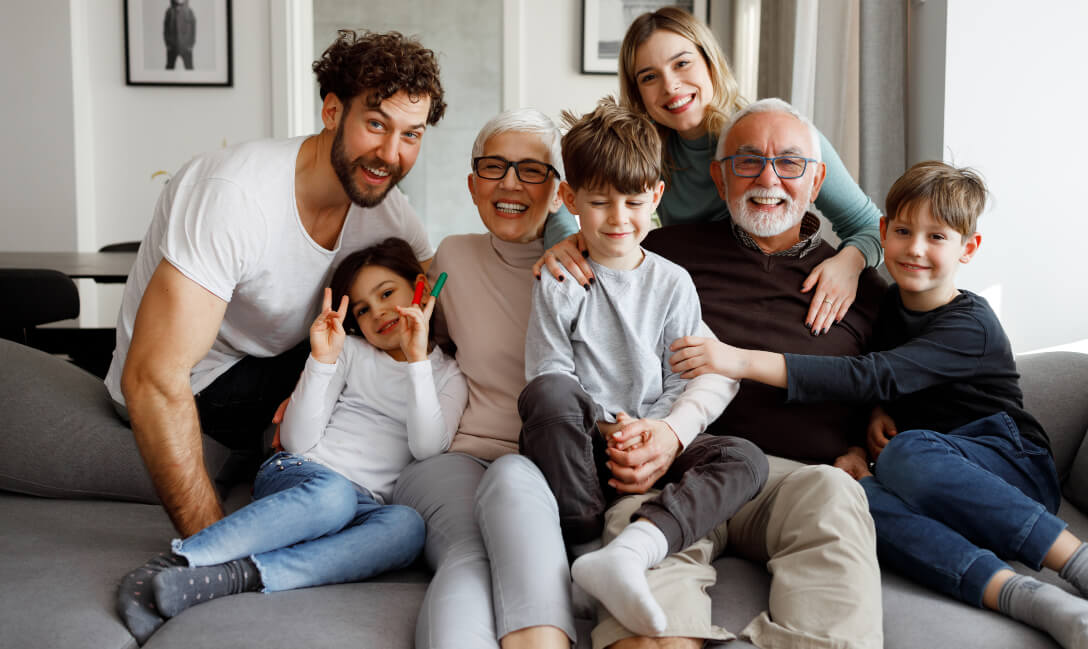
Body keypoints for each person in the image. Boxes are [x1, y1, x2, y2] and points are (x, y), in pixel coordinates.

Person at [672, 160, 1088, 649]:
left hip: (1009, 464)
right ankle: (1027, 598)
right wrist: (864, 433)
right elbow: (878, 384)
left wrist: (739, 361)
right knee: (853, 498)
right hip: (926, 479)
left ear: (968, 248)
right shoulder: (885, 306)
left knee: (907, 453)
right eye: (902, 231)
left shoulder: (970, 324)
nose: (915, 248)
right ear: (882, 232)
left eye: (936, 237)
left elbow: (873, 373)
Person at [394, 108, 736, 649]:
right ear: (472, 183)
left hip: (554, 463)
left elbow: (705, 368)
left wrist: (663, 429)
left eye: (531, 170)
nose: (510, 183)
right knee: (470, 553)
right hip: (468, 452)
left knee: (518, 500)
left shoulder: (588, 262)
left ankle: (585, 567)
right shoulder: (449, 259)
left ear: (558, 192)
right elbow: (396, 329)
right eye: (494, 167)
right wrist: (322, 374)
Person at [106, 29, 446, 538]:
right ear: (332, 111)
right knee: (352, 363)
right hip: (200, 381)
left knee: (390, 353)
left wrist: (563, 246)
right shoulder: (235, 194)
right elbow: (153, 379)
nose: (390, 153)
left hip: (276, 366)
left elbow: (443, 303)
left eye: (411, 135)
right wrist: (213, 544)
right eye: (376, 124)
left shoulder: (392, 217)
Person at [586, 98, 888, 649]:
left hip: (798, 481)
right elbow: (592, 297)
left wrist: (874, 425)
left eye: (789, 163)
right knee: (649, 602)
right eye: (747, 161)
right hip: (680, 463)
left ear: (817, 180)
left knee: (836, 495)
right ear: (719, 178)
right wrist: (568, 244)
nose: (768, 178)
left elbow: (894, 375)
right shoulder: (659, 254)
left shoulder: (862, 285)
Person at [117, 238, 466, 645]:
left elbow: (427, 448)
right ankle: (172, 563)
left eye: (387, 293)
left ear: (421, 288)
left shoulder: (447, 375)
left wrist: (418, 360)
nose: (378, 312)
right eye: (363, 309)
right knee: (332, 496)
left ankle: (236, 576)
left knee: (407, 527)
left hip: (366, 503)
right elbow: (298, 441)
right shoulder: (350, 351)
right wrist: (321, 360)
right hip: (303, 474)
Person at [517, 98, 762, 637]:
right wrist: (609, 424)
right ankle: (583, 546)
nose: (619, 218)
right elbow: (549, 371)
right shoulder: (560, 279)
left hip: (653, 444)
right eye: (600, 202)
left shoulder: (672, 282)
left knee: (745, 458)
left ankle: (633, 547)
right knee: (549, 397)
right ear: (570, 199)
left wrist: (653, 430)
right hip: (584, 450)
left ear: (656, 195)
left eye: (632, 201)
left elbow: (685, 374)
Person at [538, 6, 880, 335]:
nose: (670, 86)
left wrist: (849, 262)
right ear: (638, 93)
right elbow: (560, 189)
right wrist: (567, 239)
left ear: (710, 63)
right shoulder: (648, 150)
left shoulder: (775, 137)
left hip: (772, 285)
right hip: (698, 293)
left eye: (682, 63)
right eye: (649, 77)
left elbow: (871, 225)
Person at [164, 0, 196, 70]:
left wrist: (191, 44)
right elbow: (166, 29)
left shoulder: (189, 12)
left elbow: (193, 29)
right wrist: (168, 43)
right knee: (169, 68)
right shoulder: (169, 12)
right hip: (172, 46)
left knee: (189, 68)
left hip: (186, 46)